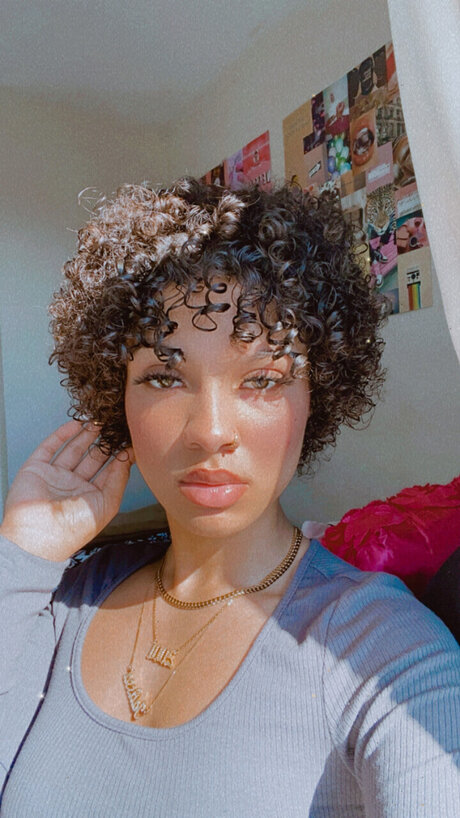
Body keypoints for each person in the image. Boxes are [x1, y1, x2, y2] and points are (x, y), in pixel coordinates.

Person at [0, 178, 458, 816]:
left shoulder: (387, 652)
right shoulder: (62, 602)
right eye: (165, 377)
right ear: (117, 398)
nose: (210, 431)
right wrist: (22, 552)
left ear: (317, 395)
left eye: (263, 378)